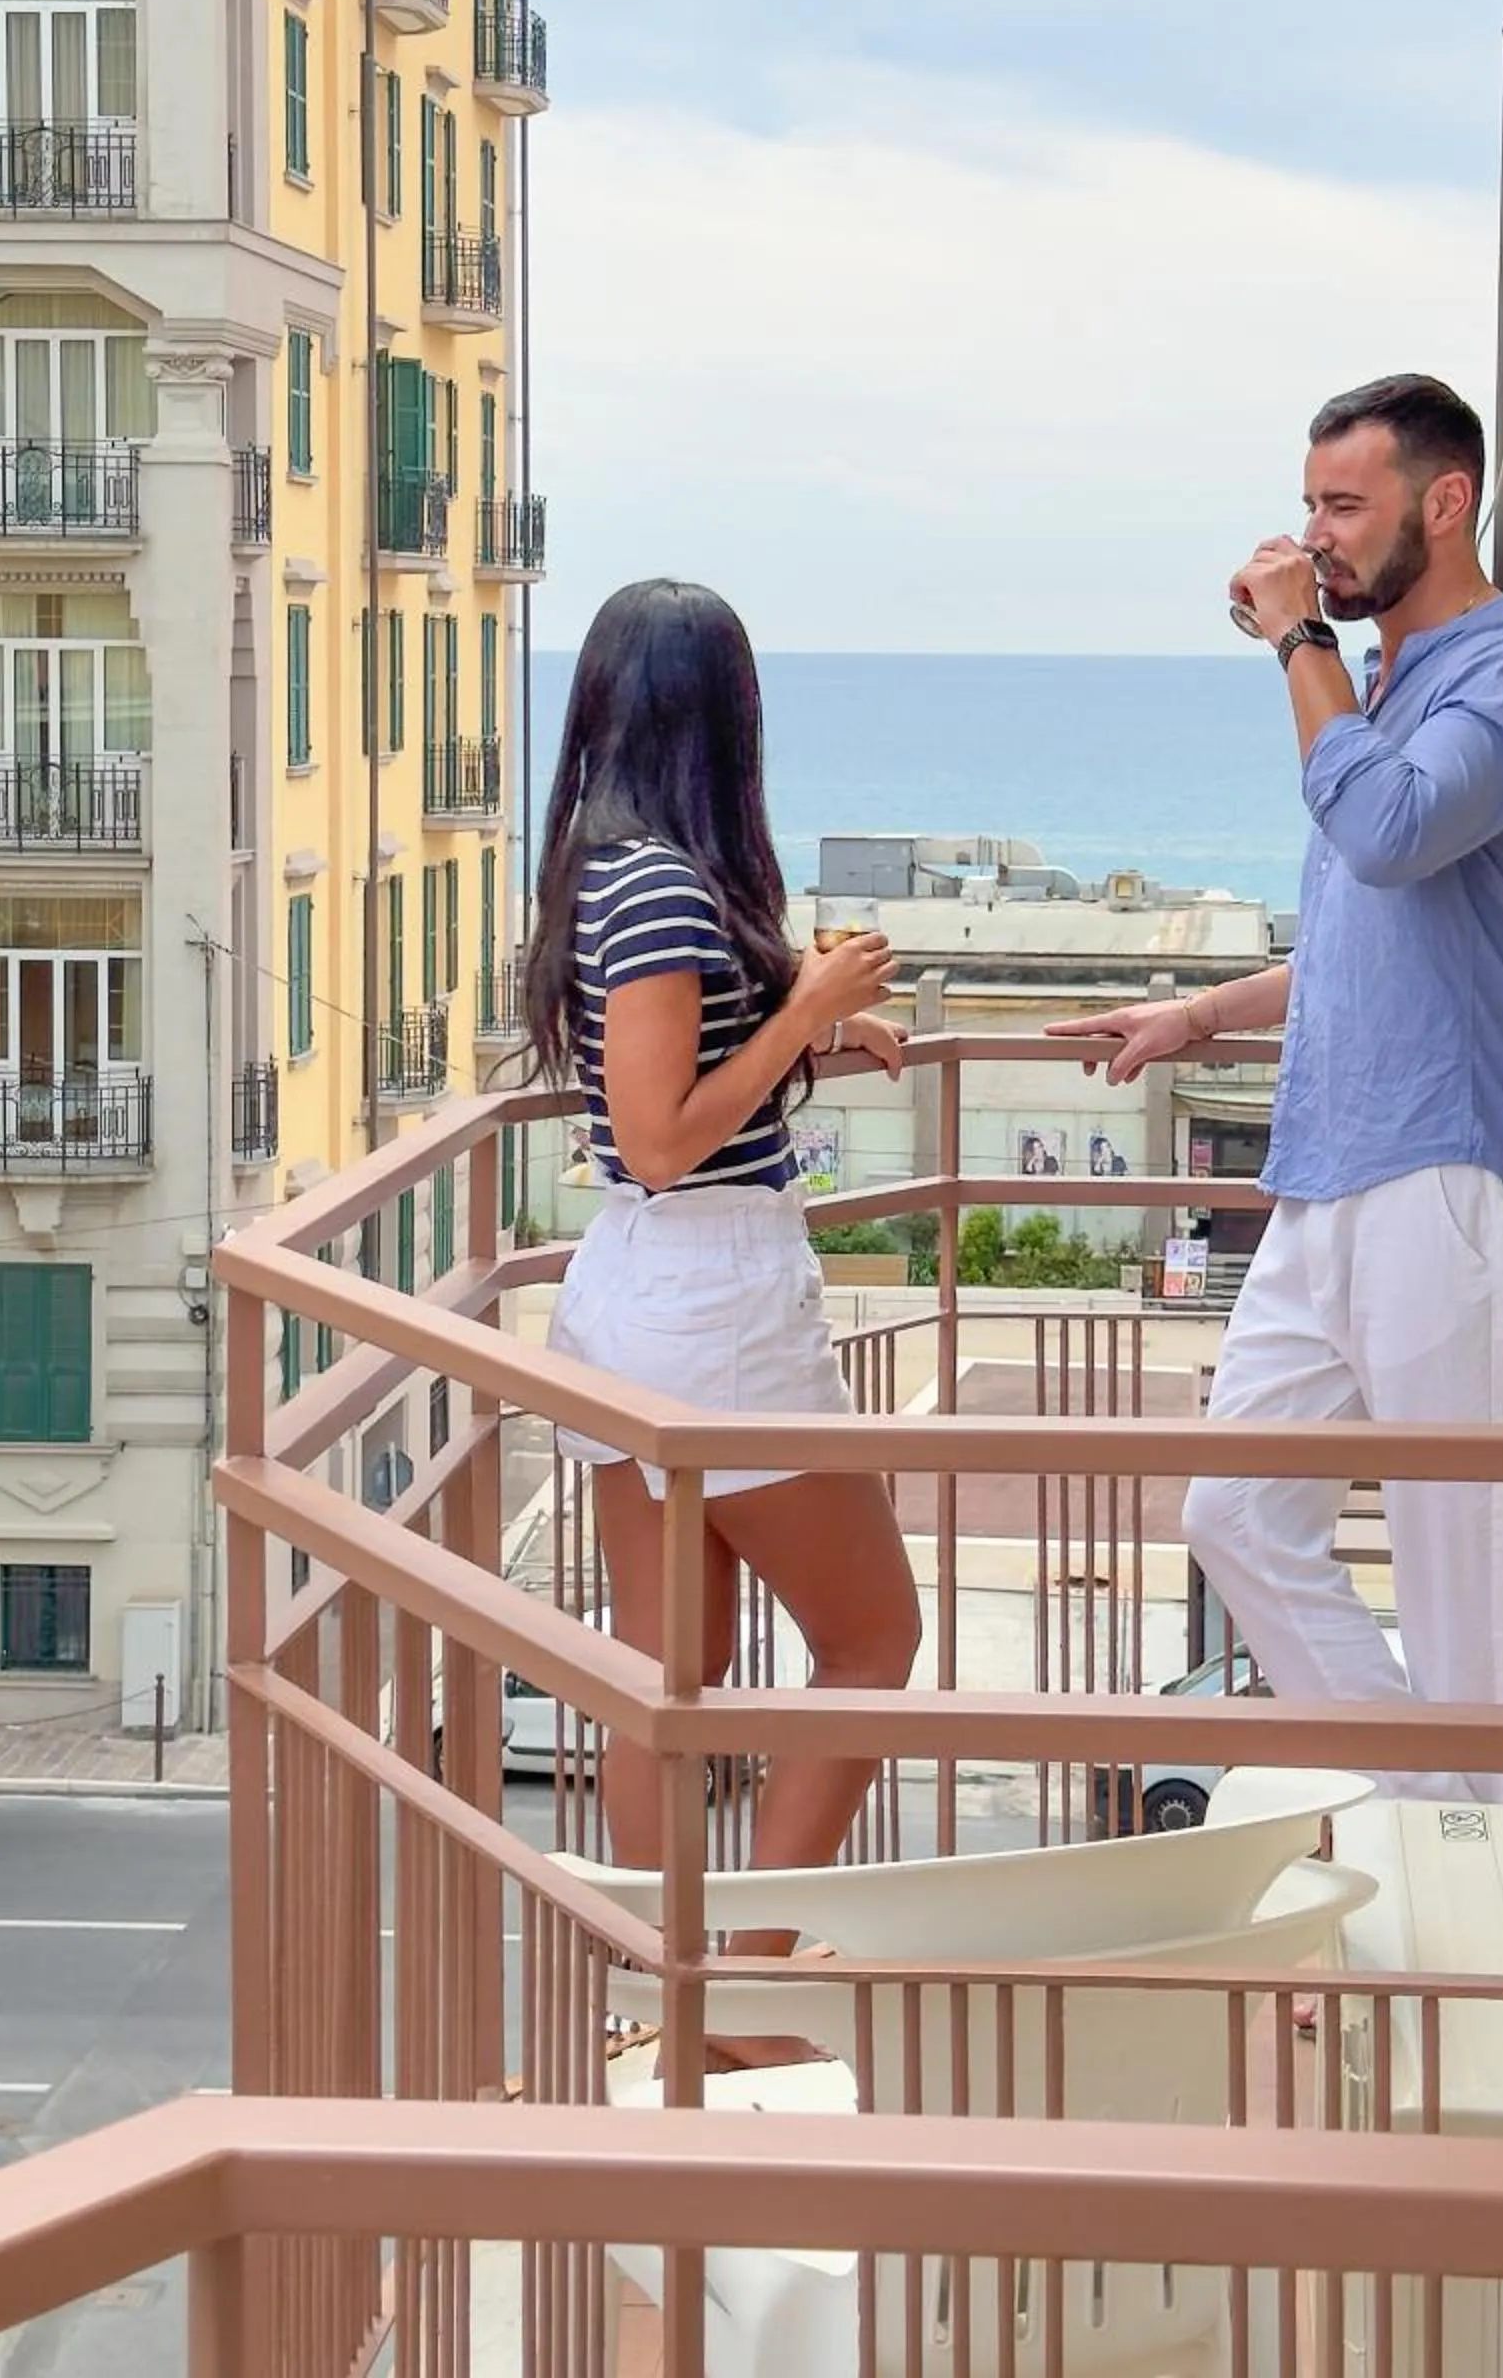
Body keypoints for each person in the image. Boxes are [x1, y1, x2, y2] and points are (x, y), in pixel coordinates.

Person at [1053, 375, 1503, 1806]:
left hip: (1451, 1170)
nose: (1317, 538)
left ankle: (1480, 1915)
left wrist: (1300, 640)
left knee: (1464, 1590)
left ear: (1445, 501)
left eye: (1343, 508)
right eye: (1307, 509)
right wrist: (1200, 1012)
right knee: (1234, 1514)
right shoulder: (1387, 690)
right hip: (1331, 1168)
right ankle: (1434, 1805)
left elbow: (1391, 830)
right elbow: (1372, 934)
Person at [525, 579, 922, 2034]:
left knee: (669, 1674)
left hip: (645, 1289)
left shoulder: (610, 868)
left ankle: (669, 1990)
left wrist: (800, 1018)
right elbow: (661, 1133)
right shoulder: (669, 886)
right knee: (873, 1640)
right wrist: (807, 1011)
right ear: (723, 717)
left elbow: (669, 1082)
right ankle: (741, 1992)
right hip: (712, 1298)